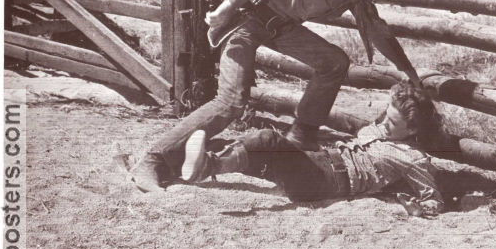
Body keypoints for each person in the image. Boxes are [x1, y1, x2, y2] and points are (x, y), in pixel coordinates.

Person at [131, 0, 420, 192]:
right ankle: (153, 159)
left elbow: (378, 31)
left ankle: (300, 136)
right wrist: (228, 7)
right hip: (246, 19)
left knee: (334, 62)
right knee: (231, 102)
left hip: (279, 27)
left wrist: (409, 72)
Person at [178, 81, 451, 216]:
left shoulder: (414, 159)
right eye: (385, 116)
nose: (384, 123)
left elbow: (434, 199)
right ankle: (206, 166)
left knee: (267, 140)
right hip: (322, 162)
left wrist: (416, 207)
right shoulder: (380, 129)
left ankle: (208, 164)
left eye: (393, 123)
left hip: (330, 181)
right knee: (266, 155)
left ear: (413, 130)